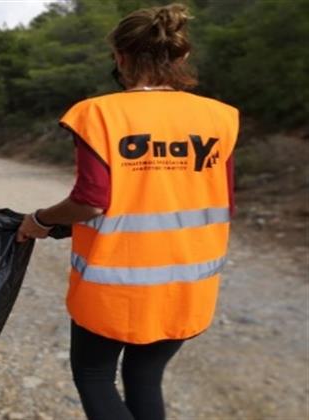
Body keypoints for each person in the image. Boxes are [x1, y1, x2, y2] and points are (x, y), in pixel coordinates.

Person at [17, 4, 238, 420]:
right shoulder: (219, 118)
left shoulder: (99, 114)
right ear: (182, 57)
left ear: (119, 57)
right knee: (145, 375)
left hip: (113, 287)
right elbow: (222, 200)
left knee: (95, 374)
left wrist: (42, 220)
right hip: (187, 284)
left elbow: (91, 200)